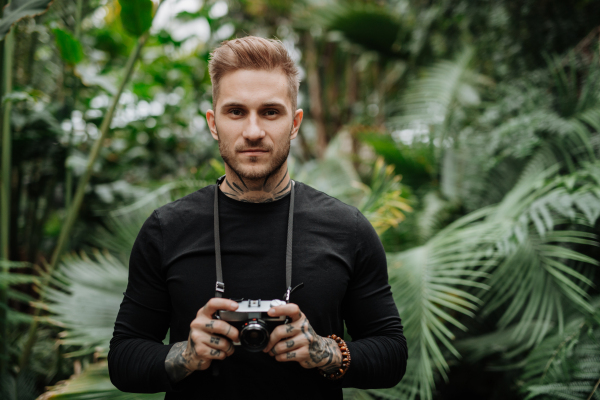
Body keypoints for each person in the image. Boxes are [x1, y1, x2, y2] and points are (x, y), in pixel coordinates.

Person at [108, 36, 407, 399]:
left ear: (294, 123)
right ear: (213, 122)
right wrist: (186, 354)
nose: (252, 131)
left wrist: (324, 352)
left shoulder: (348, 229)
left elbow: (392, 353)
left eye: (270, 112)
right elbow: (123, 358)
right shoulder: (166, 229)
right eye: (236, 112)